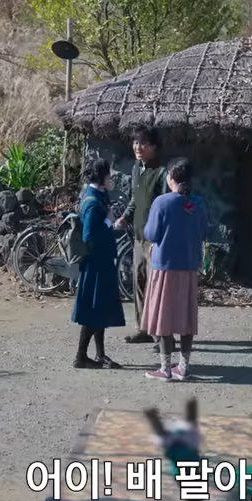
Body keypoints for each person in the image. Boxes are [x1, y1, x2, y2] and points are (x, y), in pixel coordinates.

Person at [141, 158, 211, 382]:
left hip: (165, 267)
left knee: (164, 317)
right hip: (189, 266)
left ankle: (165, 368)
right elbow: (205, 232)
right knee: (186, 317)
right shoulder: (199, 203)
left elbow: (151, 233)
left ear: (170, 177)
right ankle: (184, 366)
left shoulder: (162, 202)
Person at [113, 126, 169, 345]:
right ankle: (143, 328)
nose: (138, 147)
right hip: (138, 238)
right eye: (135, 142)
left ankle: (162, 334)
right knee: (139, 283)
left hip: (155, 241)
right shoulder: (137, 168)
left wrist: (160, 239)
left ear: (154, 147)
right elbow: (135, 199)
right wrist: (126, 217)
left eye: (143, 143)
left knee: (157, 288)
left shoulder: (162, 173)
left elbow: (166, 208)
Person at [70, 159, 126, 369]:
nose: (112, 179)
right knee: (94, 309)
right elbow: (89, 236)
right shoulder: (93, 203)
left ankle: (100, 354)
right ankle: (81, 356)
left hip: (100, 262)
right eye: (109, 176)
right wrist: (108, 221)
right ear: (102, 178)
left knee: (98, 308)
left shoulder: (96, 197)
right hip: (96, 263)